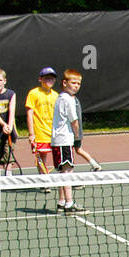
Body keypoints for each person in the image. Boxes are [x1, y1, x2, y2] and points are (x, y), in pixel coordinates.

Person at [51, 69, 87, 214]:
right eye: (73, 83)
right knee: (67, 171)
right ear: (64, 83)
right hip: (64, 141)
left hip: (57, 141)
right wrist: (77, 136)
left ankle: (61, 202)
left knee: (62, 171)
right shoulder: (68, 99)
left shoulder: (60, 98)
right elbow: (74, 121)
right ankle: (69, 204)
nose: (76, 86)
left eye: (78, 83)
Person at [25, 67, 59, 195]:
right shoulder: (33, 93)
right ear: (40, 79)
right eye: (46, 78)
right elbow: (29, 113)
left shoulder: (56, 95)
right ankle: (44, 181)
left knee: (59, 157)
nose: (49, 80)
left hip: (55, 133)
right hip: (40, 133)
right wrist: (31, 133)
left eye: (52, 78)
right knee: (42, 158)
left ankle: (65, 180)